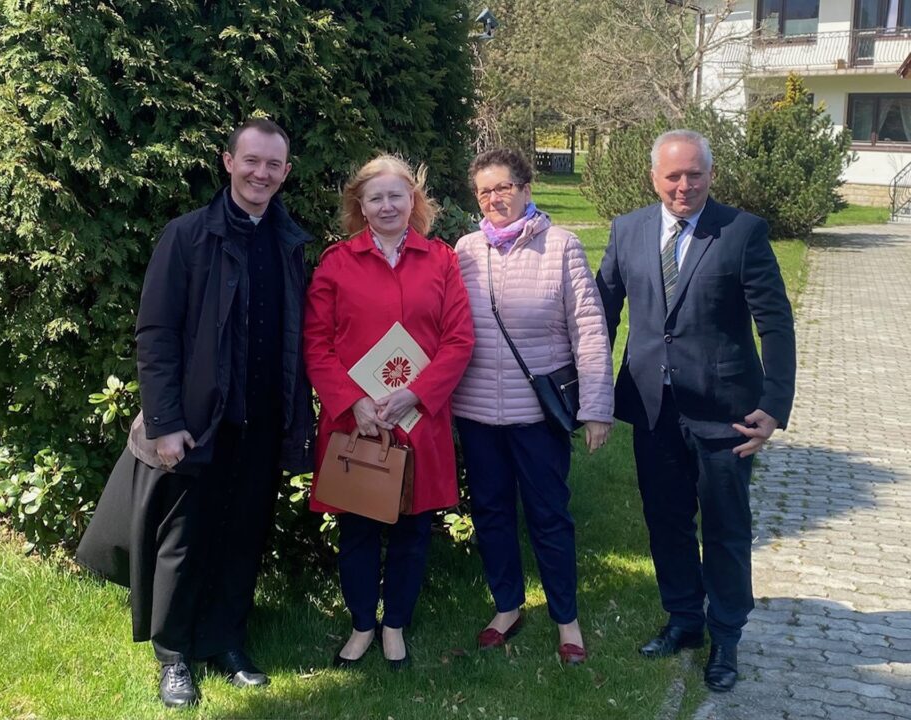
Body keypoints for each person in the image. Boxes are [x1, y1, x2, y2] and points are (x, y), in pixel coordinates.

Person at [76, 118, 314, 708]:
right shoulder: (186, 236)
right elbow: (156, 334)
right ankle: (174, 654)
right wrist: (165, 423)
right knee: (181, 542)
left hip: (263, 422)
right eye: (251, 160)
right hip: (199, 423)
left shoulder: (289, 244)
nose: (261, 173)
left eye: (274, 164)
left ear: (286, 173)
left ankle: (225, 641)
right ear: (228, 162)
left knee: (243, 537)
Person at [595, 129, 796, 691]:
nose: (684, 186)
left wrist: (774, 404)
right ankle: (684, 618)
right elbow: (601, 314)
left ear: (711, 175)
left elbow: (775, 323)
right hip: (652, 408)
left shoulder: (742, 232)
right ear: (653, 178)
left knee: (726, 527)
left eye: (695, 174)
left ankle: (726, 635)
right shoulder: (628, 230)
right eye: (673, 176)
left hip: (726, 412)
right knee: (666, 521)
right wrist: (591, 392)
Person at [303, 155, 474, 670]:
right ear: (360, 205)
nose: (386, 206)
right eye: (375, 198)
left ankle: (395, 624)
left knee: (412, 531)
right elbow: (316, 344)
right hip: (357, 422)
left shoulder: (441, 260)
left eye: (395, 195)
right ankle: (361, 625)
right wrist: (352, 401)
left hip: (419, 420)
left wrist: (415, 394)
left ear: (412, 201)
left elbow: (459, 339)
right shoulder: (336, 263)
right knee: (357, 530)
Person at [451, 148, 614, 665]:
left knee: (549, 516)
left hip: (538, 416)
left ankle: (566, 618)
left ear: (525, 188)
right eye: (484, 191)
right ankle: (507, 607)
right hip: (477, 413)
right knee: (491, 512)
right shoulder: (465, 250)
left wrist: (596, 407)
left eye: (503, 187)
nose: (494, 198)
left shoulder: (561, 246)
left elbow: (590, 330)